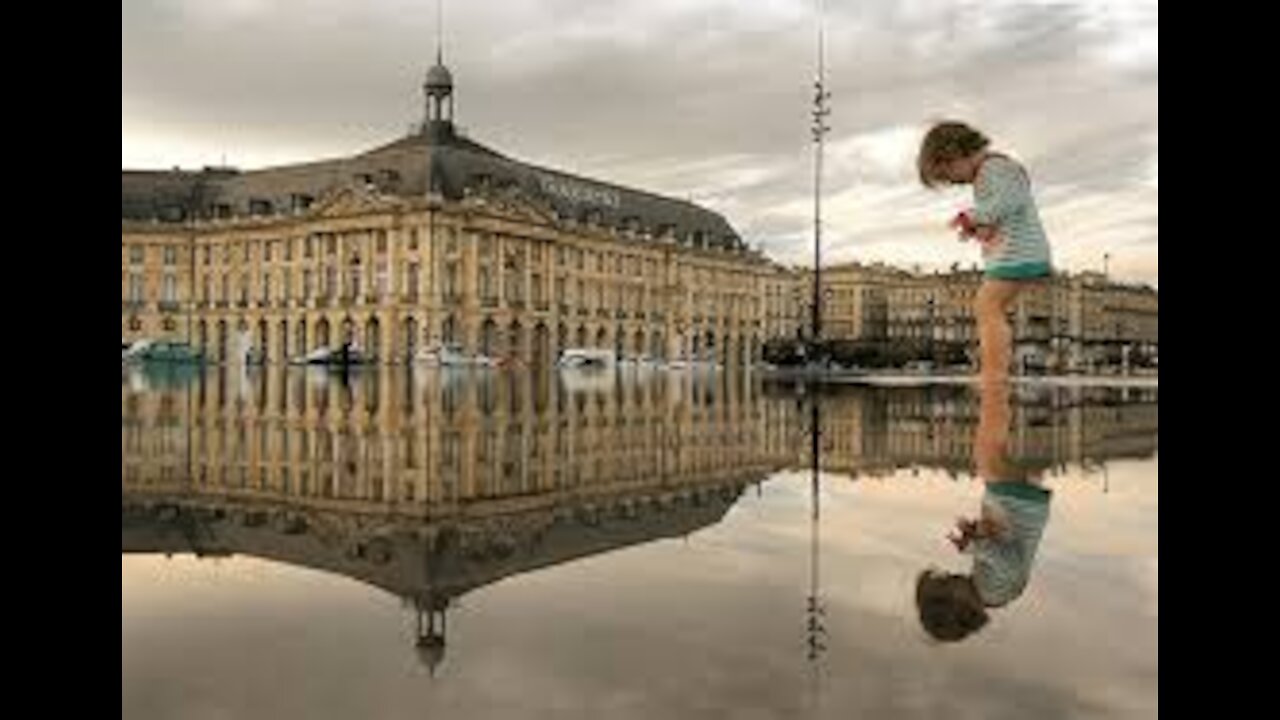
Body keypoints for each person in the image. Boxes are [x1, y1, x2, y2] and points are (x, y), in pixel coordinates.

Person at [917, 121, 1053, 385]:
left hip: (1018, 254)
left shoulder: (995, 169)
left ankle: (994, 367)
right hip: (1012, 252)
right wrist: (979, 228)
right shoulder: (991, 172)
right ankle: (995, 364)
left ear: (956, 154)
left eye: (948, 175)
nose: (954, 182)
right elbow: (1002, 211)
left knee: (987, 306)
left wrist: (972, 215)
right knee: (990, 306)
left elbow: (1006, 202)